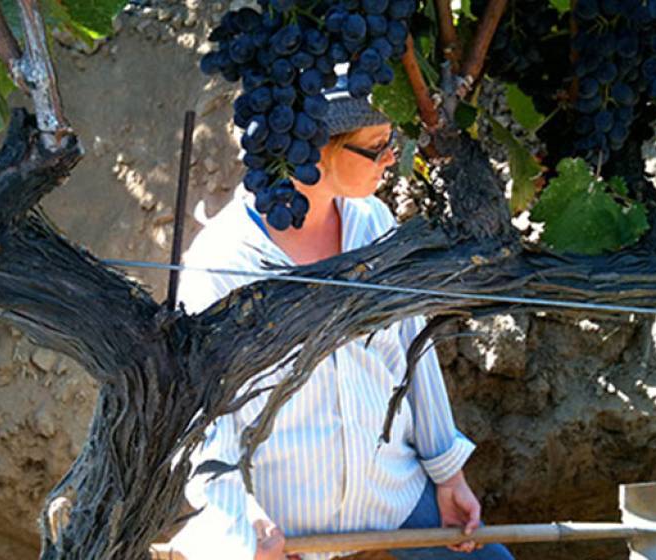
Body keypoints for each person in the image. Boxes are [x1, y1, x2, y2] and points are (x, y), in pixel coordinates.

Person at [170, 73, 513, 560]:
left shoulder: (375, 225)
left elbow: (415, 355)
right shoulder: (223, 262)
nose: (392, 157)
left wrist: (447, 475)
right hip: (284, 526)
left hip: (391, 499)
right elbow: (207, 415)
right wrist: (237, 517)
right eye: (376, 146)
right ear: (314, 153)